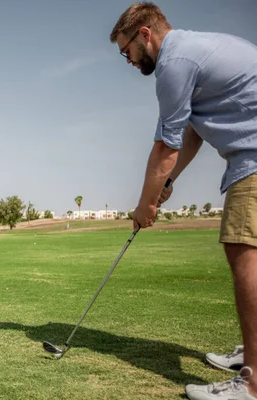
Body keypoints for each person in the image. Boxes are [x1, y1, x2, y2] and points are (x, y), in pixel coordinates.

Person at [110, 2, 257, 399]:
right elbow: (192, 132)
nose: (127, 60)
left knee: (244, 251)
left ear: (144, 34)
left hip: (255, 157)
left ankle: (253, 382)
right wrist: (167, 183)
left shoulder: (174, 62)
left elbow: (166, 147)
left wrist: (145, 206)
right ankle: (254, 351)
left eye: (127, 51)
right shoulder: (197, 49)